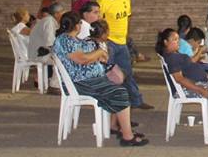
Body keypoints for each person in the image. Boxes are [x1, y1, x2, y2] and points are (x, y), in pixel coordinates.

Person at [52, 12, 148, 147]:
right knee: (120, 92)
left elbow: (84, 56)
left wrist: (96, 56)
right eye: (79, 23)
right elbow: (81, 59)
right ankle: (127, 137)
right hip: (81, 83)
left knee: (119, 85)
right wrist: (99, 53)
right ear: (75, 26)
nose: (81, 25)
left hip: (88, 80)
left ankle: (115, 126)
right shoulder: (65, 40)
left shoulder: (71, 39)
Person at [158, 28, 208, 144]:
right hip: (189, 88)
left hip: (197, 83)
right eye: (174, 40)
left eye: (178, 39)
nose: (178, 42)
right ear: (165, 42)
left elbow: (191, 63)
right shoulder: (172, 58)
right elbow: (179, 79)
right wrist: (200, 89)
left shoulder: (174, 54)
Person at [97, 0, 151, 109]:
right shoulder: (102, 2)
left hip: (122, 41)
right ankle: (111, 102)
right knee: (110, 74)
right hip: (109, 42)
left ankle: (136, 100)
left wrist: (127, 35)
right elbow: (99, 24)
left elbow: (128, 17)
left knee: (127, 72)